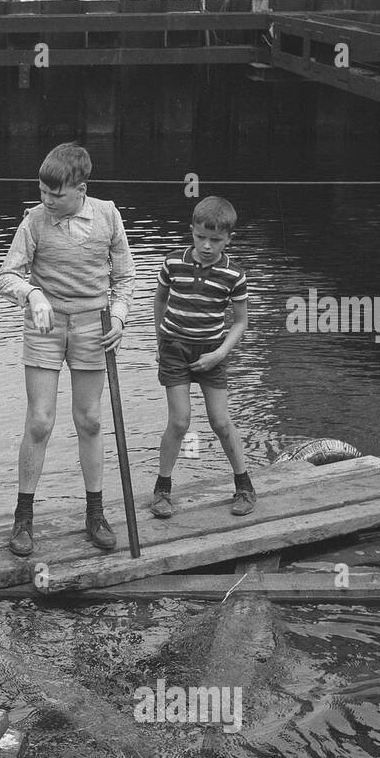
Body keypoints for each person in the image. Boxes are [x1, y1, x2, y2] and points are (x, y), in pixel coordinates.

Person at [0, 142, 136, 559]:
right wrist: (33, 295)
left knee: (90, 420)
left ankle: (95, 514)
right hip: (45, 324)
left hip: (95, 324)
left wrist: (121, 317)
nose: (47, 200)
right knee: (39, 421)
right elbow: (6, 276)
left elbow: (126, 278)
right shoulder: (34, 221)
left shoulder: (108, 215)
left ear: (81, 188)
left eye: (56, 194)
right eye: (42, 191)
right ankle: (23, 517)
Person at [148, 196, 255, 520]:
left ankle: (245, 486)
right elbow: (160, 300)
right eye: (200, 237)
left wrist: (220, 353)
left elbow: (241, 321)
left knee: (220, 422)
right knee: (179, 421)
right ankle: (163, 490)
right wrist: (160, 341)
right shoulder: (172, 264)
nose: (207, 246)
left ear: (228, 239)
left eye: (216, 240)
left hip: (212, 352)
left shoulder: (233, 275)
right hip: (174, 349)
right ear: (192, 231)